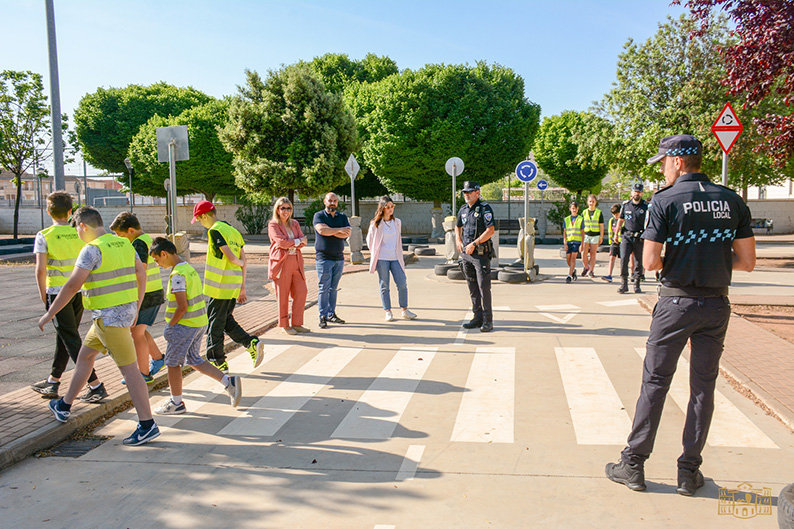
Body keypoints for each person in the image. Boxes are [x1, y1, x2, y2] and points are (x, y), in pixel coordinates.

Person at [605, 134, 756, 496]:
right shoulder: (732, 200)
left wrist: (681, 260)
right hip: (716, 305)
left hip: (675, 304)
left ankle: (634, 464)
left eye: (663, 161)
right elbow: (748, 262)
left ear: (677, 161)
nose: (662, 167)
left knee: (655, 382)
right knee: (703, 388)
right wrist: (714, 261)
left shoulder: (665, 200)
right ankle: (689, 471)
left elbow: (651, 261)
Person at [40, 206, 160, 446]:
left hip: (109, 319)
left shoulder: (91, 250)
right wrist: (135, 309)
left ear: (83, 226)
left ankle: (147, 425)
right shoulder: (124, 244)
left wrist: (49, 313)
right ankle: (64, 405)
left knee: (131, 372)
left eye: (77, 230)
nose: (77, 235)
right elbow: (141, 274)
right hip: (114, 316)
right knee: (85, 357)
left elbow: (72, 286)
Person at [148, 237, 242, 414]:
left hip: (184, 325)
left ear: (164, 253)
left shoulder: (177, 275)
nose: (158, 264)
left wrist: (171, 324)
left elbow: (182, 306)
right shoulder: (187, 268)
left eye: (157, 259)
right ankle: (228, 382)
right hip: (198, 322)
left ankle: (176, 403)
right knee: (194, 359)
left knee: (172, 364)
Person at [30, 192, 105, 401]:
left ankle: (95, 384)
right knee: (65, 335)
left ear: (48, 211)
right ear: (71, 211)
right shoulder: (79, 231)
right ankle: (53, 381)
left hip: (57, 293)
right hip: (79, 292)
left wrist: (42, 295)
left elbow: (40, 270)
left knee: (70, 337)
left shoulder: (44, 235)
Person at [192, 200, 264, 372]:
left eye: (200, 220)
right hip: (231, 285)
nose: (201, 223)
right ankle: (251, 343)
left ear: (204, 216)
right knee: (225, 321)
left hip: (220, 286)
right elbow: (244, 260)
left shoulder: (215, 230)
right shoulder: (233, 231)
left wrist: (236, 263)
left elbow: (233, 258)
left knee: (214, 323)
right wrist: (242, 287)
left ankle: (217, 360)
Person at [110, 212, 166, 383]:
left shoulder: (138, 244)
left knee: (136, 333)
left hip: (146, 294)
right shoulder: (147, 239)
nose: (120, 239)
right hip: (153, 292)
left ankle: (143, 374)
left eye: (121, 235)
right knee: (139, 330)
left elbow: (139, 271)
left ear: (131, 230)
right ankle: (158, 359)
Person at [366, 196, 417, 322]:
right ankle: (387, 311)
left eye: (392, 206)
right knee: (384, 285)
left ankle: (405, 310)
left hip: (396, 258)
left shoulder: (397, 222)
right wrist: (375, 253)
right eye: (388, 207)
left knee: (402, 283)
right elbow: (369, 240)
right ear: (382, 208)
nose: (390, 209)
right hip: (382, 258)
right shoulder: (375, 224)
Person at [455, 181, 495, 332]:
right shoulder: (463, 209)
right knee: (472, 287)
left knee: (484, 287)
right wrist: (458, 240)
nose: (466, 195)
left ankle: (488, 320)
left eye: (469, 192)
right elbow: (457, 225)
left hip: (480, 254)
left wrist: (474, 243)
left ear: (477, 192)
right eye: (464, 192)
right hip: (466, 255)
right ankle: (477, 317)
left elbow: (490, 230)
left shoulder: (485, 208)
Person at [267, 197, 309, 335]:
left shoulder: (295, 224)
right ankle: (285, 324)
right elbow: (281, 243)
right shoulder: (273, 224)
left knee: (301, 291)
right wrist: (297, 241)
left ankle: (297, 323)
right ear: (277, 210)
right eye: (282, 208)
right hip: (282, 263)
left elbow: (304, 241)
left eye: (288, 208)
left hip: (296, 261)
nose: (286, 211)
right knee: (283, 295)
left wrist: (294, 242)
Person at [313, 192, 351, 329]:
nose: (332, 203)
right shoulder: (319, 216)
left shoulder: (342, 217)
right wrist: (338, 231)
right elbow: (321, 230)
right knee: (324, 287)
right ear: (325, 201)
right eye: (330, 200)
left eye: (335, 200)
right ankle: (322, 316)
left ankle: (331, 314)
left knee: (333, 288)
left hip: (339, 258)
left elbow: (347, 233)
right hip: (324, 258)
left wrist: (331, 231)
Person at [616, 183, 649, 294]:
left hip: (639, 237)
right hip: (627, 236)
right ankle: (624, 284)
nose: (637, 193)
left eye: (639, 192)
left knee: (638, 261)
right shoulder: (626, 205)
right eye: (635, 191)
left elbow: (649, 222)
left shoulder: (645, 206)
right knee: (624, 259)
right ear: (632, 192)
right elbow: (620, 220)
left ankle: (637, 284)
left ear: (642, 193)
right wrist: (616, 234)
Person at [581, 194, 604, 278]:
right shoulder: (584, 212)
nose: (591, 203)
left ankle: (591, 270)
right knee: (584, 253)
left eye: (593, 201)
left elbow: (601, 225)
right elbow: (581, 225)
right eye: (590, 201)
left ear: (595, 202)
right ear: (587, 202)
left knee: (593, 254)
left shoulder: (598, 212)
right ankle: (586, 266)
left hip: (595, 235)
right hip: (586, 235)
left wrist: (601, 237)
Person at [563, 201, 584, 284]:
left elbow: (583, 233)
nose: (574, 210)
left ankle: (569, 276)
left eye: (575, 208)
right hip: (569, 241)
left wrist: (582, 244)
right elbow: (564, 232)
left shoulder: (580, 219)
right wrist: (565, 242)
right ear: (570, 209)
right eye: (573, 208)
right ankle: (573, 270)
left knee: (573, 258)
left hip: (577, 241)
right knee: (568, 258)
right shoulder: (566, 219)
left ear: (578, 209)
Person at [601, 204, 622, 283]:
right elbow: (610, 232)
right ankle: (609, 275)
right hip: (614, 242)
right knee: (612, 258)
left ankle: (624, 274)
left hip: (621, 242)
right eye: (613, 214)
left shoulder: (623, 221)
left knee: (623, 260)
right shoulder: (611, 220)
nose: (615, 216)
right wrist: (610, 243)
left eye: (617, 214)